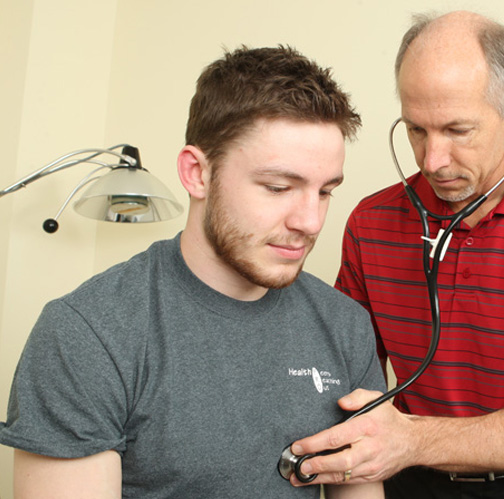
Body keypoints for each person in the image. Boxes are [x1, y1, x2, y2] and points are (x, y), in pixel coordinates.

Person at [0, 45, 386, 498]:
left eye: (325, 192)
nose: (310, 221)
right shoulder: (88, 334)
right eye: (279, 187)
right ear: (196, 173)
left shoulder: (345, 326)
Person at [289, 11, 504, 499]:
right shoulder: (372, 226)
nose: (432, 160)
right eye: (416, 130)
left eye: (458, 130)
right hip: (409, 480)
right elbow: (343, 375)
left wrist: (412, 440)